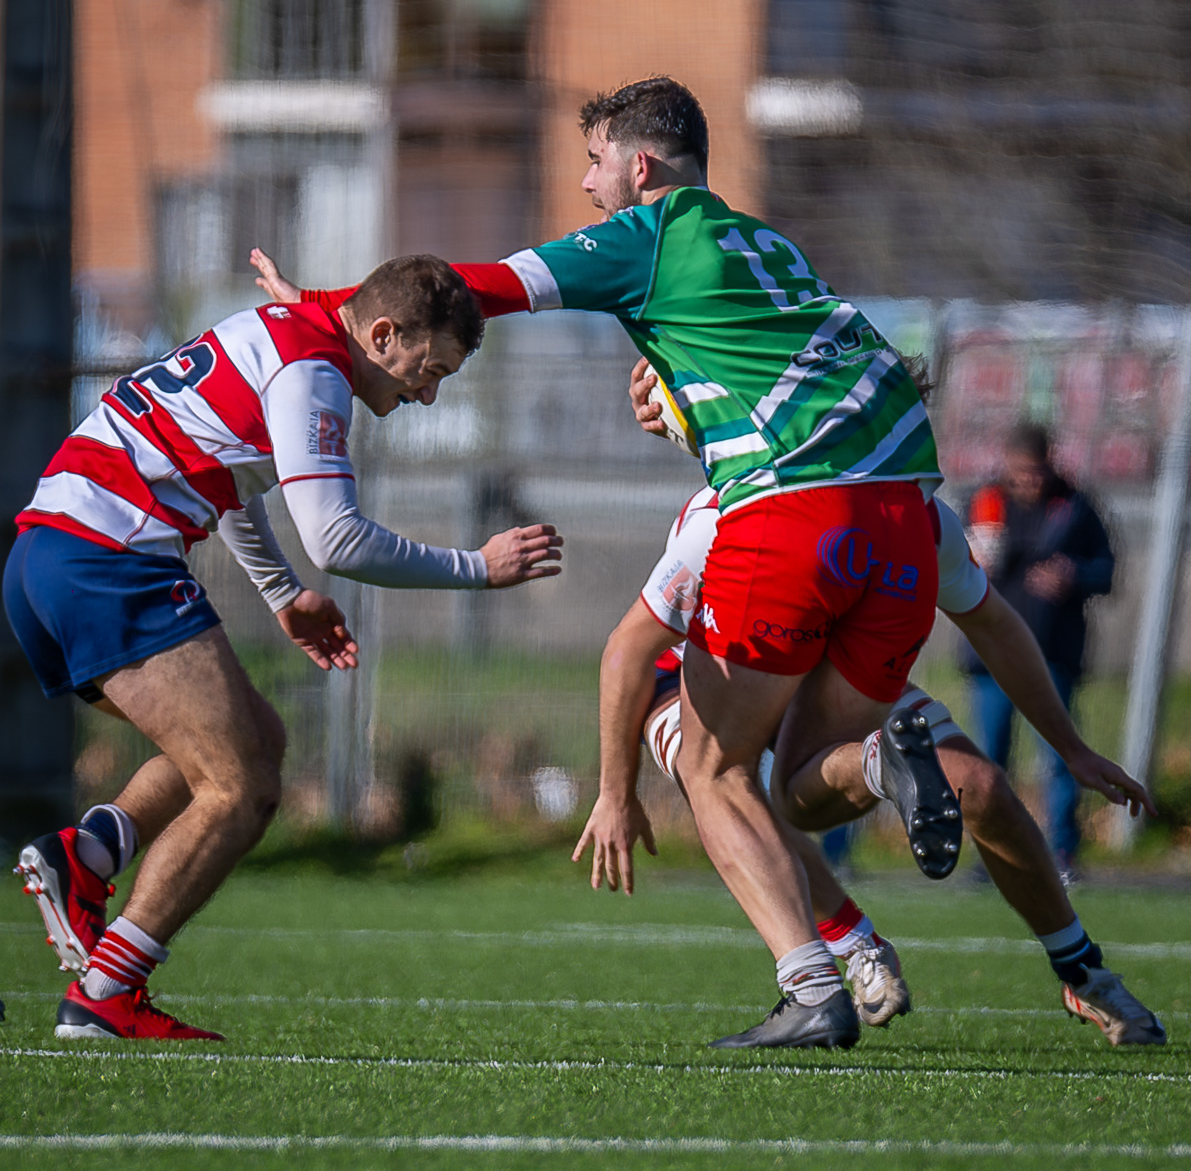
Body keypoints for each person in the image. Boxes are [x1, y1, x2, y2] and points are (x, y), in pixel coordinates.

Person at [254, 74, 959, 1052]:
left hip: (787, 516)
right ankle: (882, 765)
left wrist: (327, 306)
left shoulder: (645, 234)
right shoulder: (767, 242)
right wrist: (680, 402)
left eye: (591, 164)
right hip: (901, 513)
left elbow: (471, 289)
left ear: (639, 164)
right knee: (800, 779)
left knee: (708, 764)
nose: (585, 188)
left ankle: (810, 988)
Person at [8, 258, 562, 1042]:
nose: (425, 394)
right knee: (241, 787)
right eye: (428, 369)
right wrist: (477, 568)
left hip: (50, 555)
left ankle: (89, 855)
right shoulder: (314, 370)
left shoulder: (278, 336)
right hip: (105, 557)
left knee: (257, 740)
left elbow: (230, 481)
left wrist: (278, 595)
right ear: (381, 334)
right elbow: (335, 537)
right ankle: (105, 994)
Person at [573, 469, 1163, 1048]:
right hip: (708, 663)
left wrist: (1073, 749)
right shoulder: (734, 511)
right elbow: (629, 649)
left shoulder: (917, 520)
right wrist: (615, 791)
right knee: (721, 778)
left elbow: (994, 624)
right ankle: (844, 950)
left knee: (978, 785)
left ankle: (1083, 970)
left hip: (827, 668)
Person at [965, 421, 1115, 878]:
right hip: (991, 656)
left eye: (1038, 470)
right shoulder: (984, 501)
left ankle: (1062, 854)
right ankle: (993, 857)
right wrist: (979, 558)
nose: (1030, 478)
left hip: (1053, 654)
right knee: (990, 759)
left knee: (1059, 758)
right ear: (1008, 464)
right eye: (1022, 470)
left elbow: (1106, 572)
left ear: (1050, 463)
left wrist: (1073, 574)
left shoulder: (1075, 506)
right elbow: (954, 563)